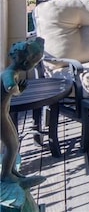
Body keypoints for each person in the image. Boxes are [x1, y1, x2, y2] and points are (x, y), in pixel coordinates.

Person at [1, 37, 46, 188]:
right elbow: (9, 87)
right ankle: (6, 175)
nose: (35, 66)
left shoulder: (13, 72)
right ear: (26, 62)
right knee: (12, 145)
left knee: (15, 142)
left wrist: (18, 90)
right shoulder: (9, 74)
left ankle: (12, 171)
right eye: (35, 63)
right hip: (0, 117)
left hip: (4, 114)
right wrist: (17, 90)